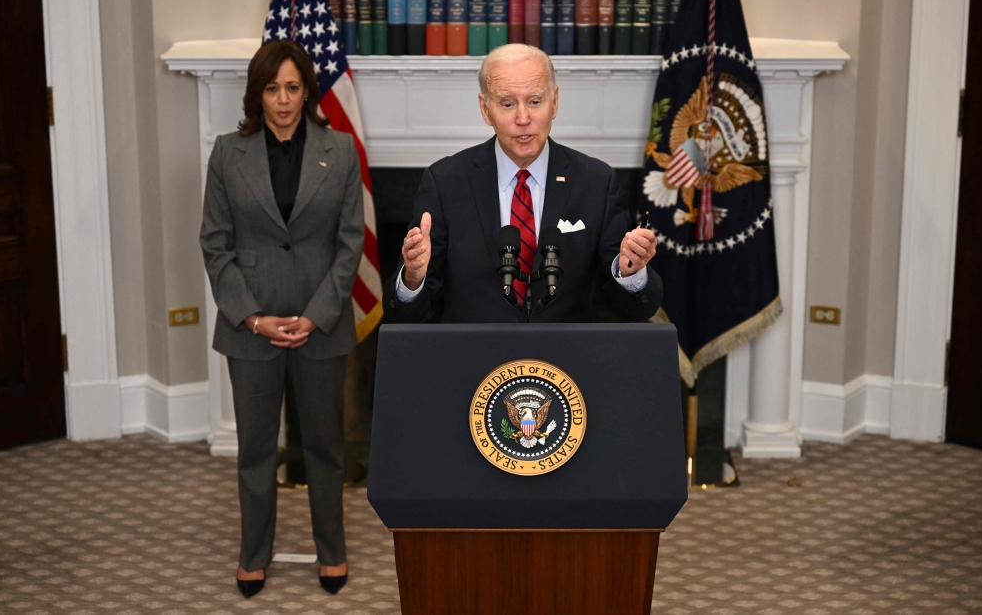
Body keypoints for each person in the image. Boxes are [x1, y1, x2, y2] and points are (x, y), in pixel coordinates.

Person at [200, 40, 363, 599]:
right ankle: (253, 555)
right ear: (257, 94)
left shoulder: (340, 150)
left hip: (322, 325)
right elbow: (215, 245)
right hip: (252, 330)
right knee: (256, 451)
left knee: (325, 447)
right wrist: (252, 318)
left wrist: (315, 317)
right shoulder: (228, 153)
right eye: (272, 88)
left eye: (293, 87)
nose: (284, 99)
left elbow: (350, 245)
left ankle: (332, 551)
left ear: (307, 91)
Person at [382, 43, 662, 323]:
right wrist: (412, 279)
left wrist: (631, 273)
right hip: (475, 350)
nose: (523, 118)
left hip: (566, 351)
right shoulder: (445, 182)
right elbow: (407, 315)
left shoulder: (596, 183)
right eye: (507, 104)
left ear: (554, 102)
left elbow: (635, 309)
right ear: (485, 109)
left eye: (535, 102)